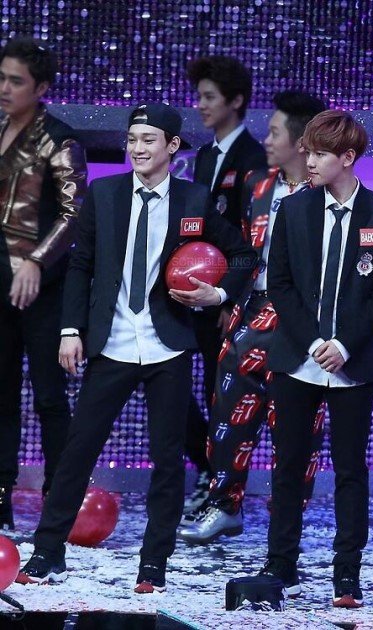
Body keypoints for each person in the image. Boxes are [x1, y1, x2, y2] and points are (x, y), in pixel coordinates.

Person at [15, 102, 257, 594]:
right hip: (112, 342)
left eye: (149, 140)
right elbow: (80, 266)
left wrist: (218, 295)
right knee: (77, 452)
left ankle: (153, 564)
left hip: (168, 345)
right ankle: (47, 553)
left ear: (172, 146)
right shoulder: (104, 195)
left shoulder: (194, 199)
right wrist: (70, 330)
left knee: (167, 461)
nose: (138, 148)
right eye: (132, 140)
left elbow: (243, 254)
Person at [259, 110, 373, 608]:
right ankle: (281, 565)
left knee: (350, 469)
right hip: (298, 358)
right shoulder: (292, 208)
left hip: (353, 362)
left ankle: (347, 573)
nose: (309, 160)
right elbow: (279, 284)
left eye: (320, 153)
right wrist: (314, 342)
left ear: (347, 157)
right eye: (308, 150)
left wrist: (343, 345)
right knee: (288, 465)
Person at [179, 91, 326, 561]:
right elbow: (245, 251)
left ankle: (287, 528)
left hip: (303, 319)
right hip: (252, 310)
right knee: (227, 414)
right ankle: (225, 505)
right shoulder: (258, 185)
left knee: (296, 429)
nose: (266, 139)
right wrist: (227, 296)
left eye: (275, 132)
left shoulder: (327, 194)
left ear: (300, 142)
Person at [0, 36, 87, 530]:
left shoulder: (59, 139)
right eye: (1, 78)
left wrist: (35, 261)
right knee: (1, 395)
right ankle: (1, 501)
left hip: (45, 289)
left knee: (50, 398)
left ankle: (60, 502)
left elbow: (75, 214)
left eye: (16, 81)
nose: (4, 88)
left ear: (41, 88)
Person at [184, 56, 267, 512]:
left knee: (222, 397)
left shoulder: (255, 159)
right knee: (173, 388)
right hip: (192, 293)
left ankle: (219, 488)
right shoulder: (203, 156)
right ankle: (205, 467)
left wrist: (228, 299)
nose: (200, 105)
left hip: (229, 301)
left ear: (236, 101)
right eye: (198, 96)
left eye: (209, 97)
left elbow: (252, 240)